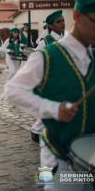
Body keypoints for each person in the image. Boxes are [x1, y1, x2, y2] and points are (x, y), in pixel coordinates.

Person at [4, 0, 95, 191]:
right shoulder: (47, 54)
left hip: (90, 150)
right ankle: (44, 183)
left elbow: (91, 98)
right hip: (59, 149)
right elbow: (13, 90)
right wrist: (53, 108)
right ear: (78, 16)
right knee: (56, 184)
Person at [30, 10, 66, 143]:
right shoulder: (46, 41)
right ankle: (36, 130)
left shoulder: (66, 39)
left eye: (63, 20)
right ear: (50, 26)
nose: (62, 23)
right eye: (58, 22)